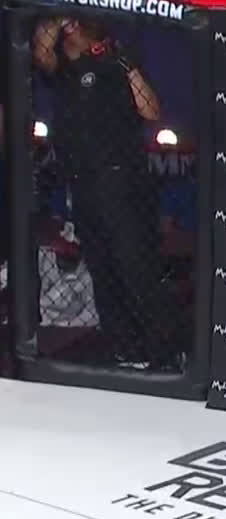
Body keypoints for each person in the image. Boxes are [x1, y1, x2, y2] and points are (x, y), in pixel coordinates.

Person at [32, 16, 172, 369]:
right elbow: (41, 50)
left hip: (121, 180)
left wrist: (128, 66)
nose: (69, 32)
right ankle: (123, 348)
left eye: (75, 27)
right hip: (82, 182)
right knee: (101, 266)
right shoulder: (64, 73)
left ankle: (163, 350)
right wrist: (57, 18)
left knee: (135, 265)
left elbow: (151, 111)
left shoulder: (113, 64)